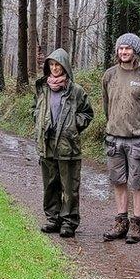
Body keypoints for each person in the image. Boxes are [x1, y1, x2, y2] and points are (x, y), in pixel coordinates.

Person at [100, 33, 140, 243]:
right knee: (118, 181)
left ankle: (136, 223)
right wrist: (112, 125)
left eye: (128, 48)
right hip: (114, 138)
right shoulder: (109, 75)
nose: (124, 52)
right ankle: (121, 221)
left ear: (136, 51)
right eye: (121, 48)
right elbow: (106, 105)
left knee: (138, 183)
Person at [33, 48, 94, 238]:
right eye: (51, 65)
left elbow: (87, 113)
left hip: (68, 145)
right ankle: (53, 218)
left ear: (65, 66)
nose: (54, 68)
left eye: (58, 65)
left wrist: (72, 126)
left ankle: (69, 222)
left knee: (69, 186)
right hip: (47, 143)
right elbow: (34, 108)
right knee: (51, 183)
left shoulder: (76, 91)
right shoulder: (42, 88)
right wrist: (39, 119)